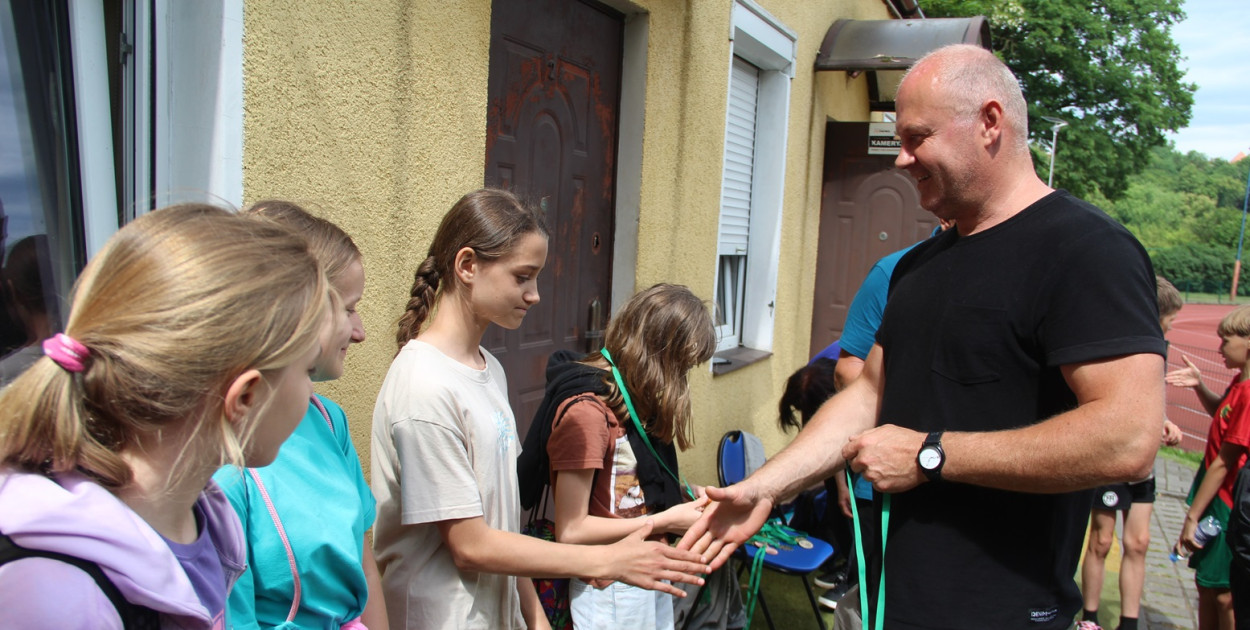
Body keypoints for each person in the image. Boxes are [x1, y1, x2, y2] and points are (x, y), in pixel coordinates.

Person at [681, 44, 1165, 630]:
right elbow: (866, 398)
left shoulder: (1087, 253)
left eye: (917, 138)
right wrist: (763, 488)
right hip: (894, 603)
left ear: (990, 122)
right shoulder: (916, 268)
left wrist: (931, 454)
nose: (900, 160)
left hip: (1004, 613)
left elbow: (1128, 436)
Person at [370, 188, 708, 630]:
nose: (535, 296)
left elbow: (503, 529)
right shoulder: (424, 387)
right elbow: (470, 546)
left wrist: (535, 619)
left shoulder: (488, 369)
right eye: (522, 277)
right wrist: (608, 561)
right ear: (468, 265)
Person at [0, 204, 330, 629]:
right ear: (245, 396)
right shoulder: (54, 598)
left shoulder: (204, 522)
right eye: (307, 370)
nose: (311, 389)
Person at [212, 201, 387, 629]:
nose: (360, 331)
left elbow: (362, 564)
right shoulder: (223, 463)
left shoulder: (329, 421)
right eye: (348, 308)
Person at [524, 283, 714, 630]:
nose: (683, 379)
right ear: (658, 354)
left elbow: (633, 490)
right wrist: (666, 520)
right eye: (682, 366)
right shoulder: (587, 414)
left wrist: (686, 500)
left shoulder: (634, 401)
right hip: (610, 590)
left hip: (647, 570)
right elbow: (572, 529)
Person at [1078, 276, 1185, 630]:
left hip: (1145, 467)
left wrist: (1163, 422)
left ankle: (1129, 622)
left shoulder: (1159, 348)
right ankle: (1090, 617)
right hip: (1112, 464)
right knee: (1102, 539)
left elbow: (1147, 403)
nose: (1172, 325)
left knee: (1138, 542)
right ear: (1157, 312)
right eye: (1171, 316)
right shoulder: (1118, 342)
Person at [1165, 304, 1250, 630]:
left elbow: (1224, 461)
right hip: (1214, 497)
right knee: (1206, 583)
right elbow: (1222, 413)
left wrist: (1191, 517)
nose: (1220, 348)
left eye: (1226, 341)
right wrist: (1200, 384)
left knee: (1222, 590)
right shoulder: (1239, 382)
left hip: (1227, 500)